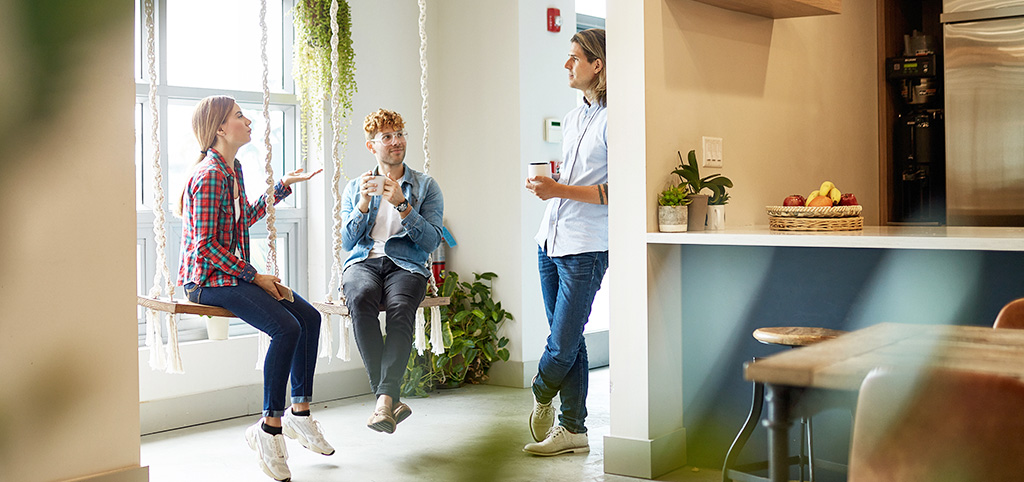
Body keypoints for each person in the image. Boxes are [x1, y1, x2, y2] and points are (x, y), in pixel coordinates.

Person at [176, 95, 331, 481]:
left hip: (231, 274)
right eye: (239, 116)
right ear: (220, 129)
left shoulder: (233, 170)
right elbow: (205, 247)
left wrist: (282, 187)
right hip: (206, 281)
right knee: (286, 328)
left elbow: (240, 220)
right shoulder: (210, 175)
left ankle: (300, 414)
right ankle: (269, 428)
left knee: (309, 318)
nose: (249, 121)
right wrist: (254, 275)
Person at [523, 28, 609, 457]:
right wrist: (549, 184)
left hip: (586, 247)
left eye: (574, 58)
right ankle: (574, 429)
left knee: (561, 345)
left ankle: (541, 391)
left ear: (598, 65)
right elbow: (577, 179)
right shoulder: (576, 114)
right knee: (570, 340)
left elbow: (616, 189)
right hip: (549, 239)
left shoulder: (618, 117)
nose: (567, 64)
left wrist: (558, 189)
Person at [341, 108, 444, 434]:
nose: (396, 141)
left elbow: (430, 241)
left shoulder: (426, 187)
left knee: (401, 309)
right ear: (372, 145)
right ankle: (389, 400)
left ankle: (383, 402)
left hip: (407, 264)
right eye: (387, 136)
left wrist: (403, 204)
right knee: (359, 298)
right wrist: (361, 204)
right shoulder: (356, 187)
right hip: (364, 261)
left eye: (400, 134)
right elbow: (347, 241)